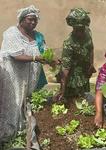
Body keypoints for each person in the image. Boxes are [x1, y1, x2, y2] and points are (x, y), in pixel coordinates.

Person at [0, 5, 52, 142]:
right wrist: (36, 58)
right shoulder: (11, 33)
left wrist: (51, 61)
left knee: (24, 101)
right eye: (30, 19)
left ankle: (21, 129)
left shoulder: (38, 36)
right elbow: (16, 55)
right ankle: (8, 132)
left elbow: (44, 53)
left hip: (28, 78)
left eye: (35, 20)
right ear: (21, 20)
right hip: (13, 77)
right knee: (13, 102)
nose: (33, 22)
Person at [55, 8, 96, 102]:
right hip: (71, 76)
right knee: (71, 100)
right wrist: (62, 90)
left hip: (84, 72)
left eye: (81, 29)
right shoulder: (69, 44)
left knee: (84, 100)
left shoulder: (88, 32)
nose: (80, 33)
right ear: (73, 28)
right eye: (76, 30)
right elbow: (65, 69)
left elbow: (91, 48)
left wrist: (91, 64)